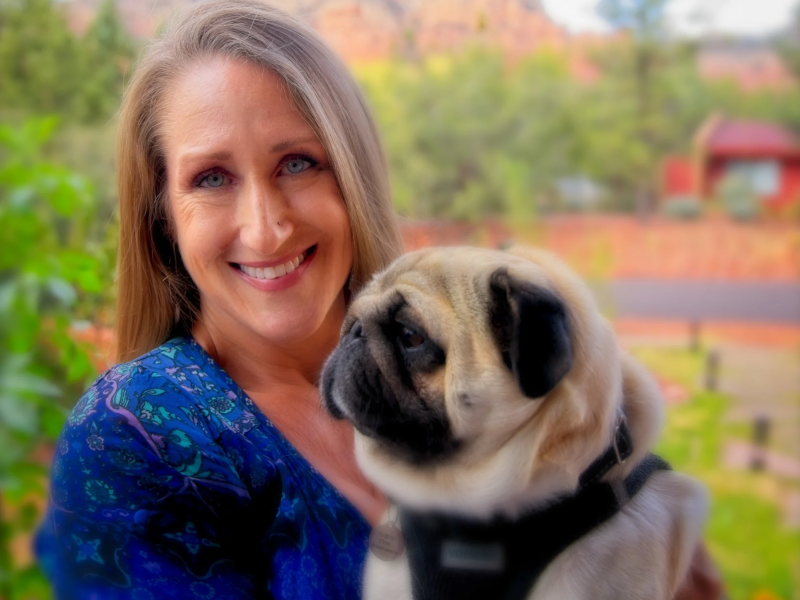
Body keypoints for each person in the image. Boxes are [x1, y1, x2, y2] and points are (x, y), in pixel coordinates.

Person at [34, 2, 722, 599]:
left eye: (297, 163)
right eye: (211, 178)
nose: (266, 228)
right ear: (162, 216)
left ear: (352, 173)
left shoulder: (480, 364)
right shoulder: (135, 440)